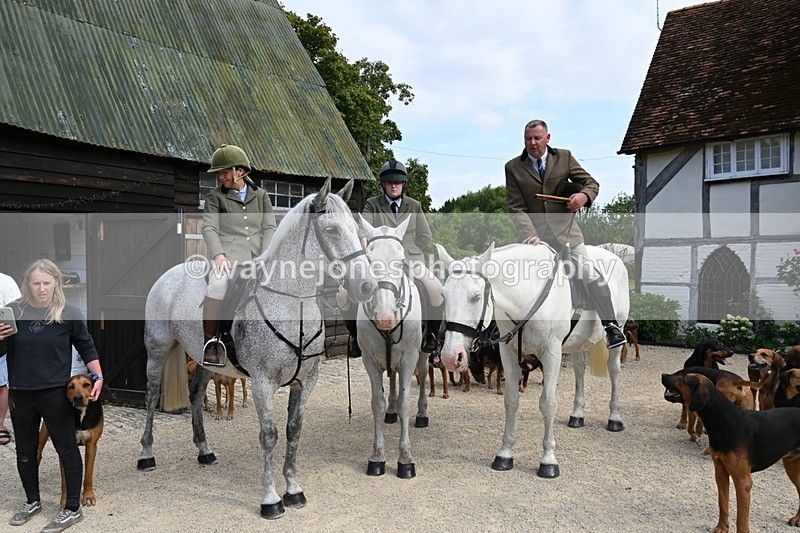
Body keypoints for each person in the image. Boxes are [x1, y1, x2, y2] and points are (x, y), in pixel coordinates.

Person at [0, 259, 104, 532]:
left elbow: (86, 345)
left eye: (47, 282)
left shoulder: (68, 311)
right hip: (21, 394)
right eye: (36, 283)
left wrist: (99, 376)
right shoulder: (12, 311)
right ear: (27, 284)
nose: (41, 288)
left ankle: (72, 508)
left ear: (56, 283)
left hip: (54, 393)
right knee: (25, 452)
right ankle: (32, 501)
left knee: (66, 449)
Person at [505, 119, 626, 349]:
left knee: (588, 271)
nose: (532, 143)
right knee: (515, 278)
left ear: (547, 138)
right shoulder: (512, 167)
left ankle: (611, 327)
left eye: (537, 138)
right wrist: (528, 233)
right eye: (528, 139)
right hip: (535, 238)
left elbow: (591, 183)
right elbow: (515, 207)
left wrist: (583, 196)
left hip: (567, 234)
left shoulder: (564, 157)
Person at [345, 160, 443, 358]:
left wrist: (407, 250)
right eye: (389, 183)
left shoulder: (414, 205)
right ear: (383, 184)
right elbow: (363, 226)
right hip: (379, 261)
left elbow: (425, 236)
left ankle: (431, 335)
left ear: (403, 184)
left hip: (410, 258)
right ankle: (356, 337)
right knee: (342, 293)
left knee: (436, 289)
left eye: (397, 182)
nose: (394, 185)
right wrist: (364, 239)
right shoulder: (373, 204)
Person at [201, 144, 277, 366]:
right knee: (217, 284)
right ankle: (211, 342)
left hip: (257, 256)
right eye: (218, 172)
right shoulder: (215, 197)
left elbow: (269, 227)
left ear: (240, 171)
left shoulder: (261, 196)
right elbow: (209, 228)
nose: (220, 177)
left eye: (224, 172)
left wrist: (265, 256)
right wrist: (219, 255)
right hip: (228, 257)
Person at [0, 270, 21, 446]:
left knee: (1, 384)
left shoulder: (5, 282)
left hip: (1, 343)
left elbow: (16, 313)